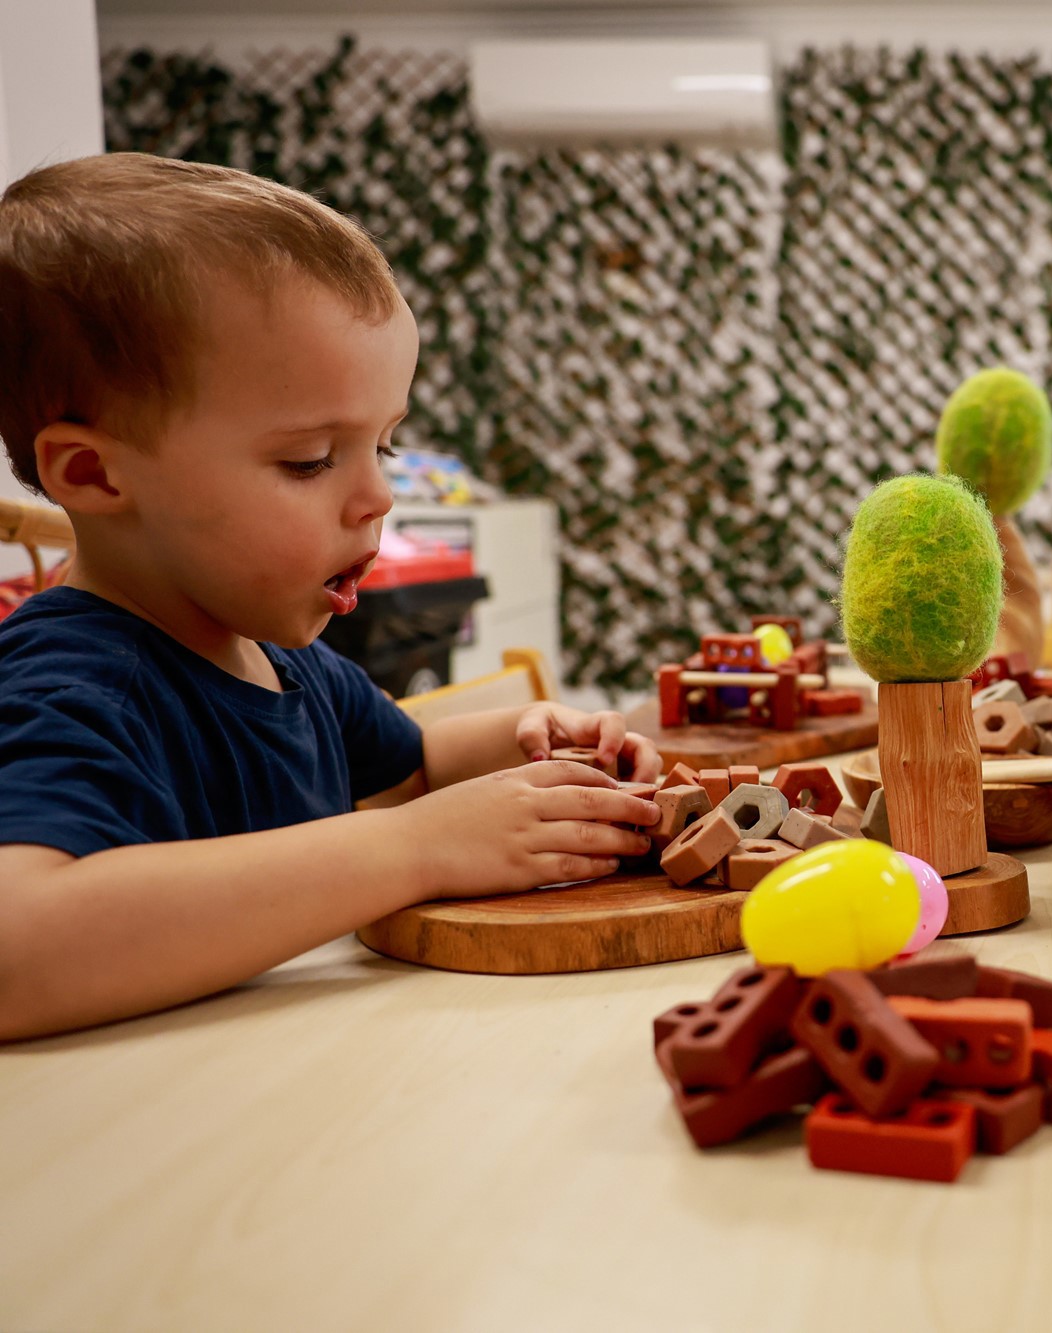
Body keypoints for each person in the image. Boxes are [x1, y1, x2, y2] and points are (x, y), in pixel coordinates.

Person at [0, 154, 662, 1042]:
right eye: (310, 459)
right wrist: (416, 846)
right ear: (92, 473)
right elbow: (18, 952)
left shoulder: (286, 662)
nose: (378, 496)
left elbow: (414, 765)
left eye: (383, 446)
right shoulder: (71, 684)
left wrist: (531, 741)